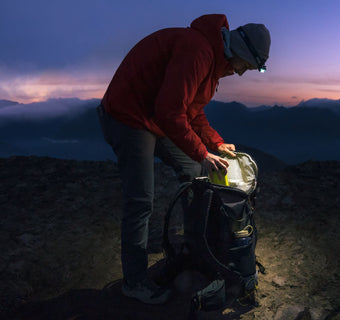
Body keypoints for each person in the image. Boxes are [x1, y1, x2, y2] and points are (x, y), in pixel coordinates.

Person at [97, 14, 271, 304]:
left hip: (154, 117)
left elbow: (191, 110)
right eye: (246, 66)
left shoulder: (212, 60)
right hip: (127, 116)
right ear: (240, 51)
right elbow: (170, 112)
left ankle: (197, 247)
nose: (242, 73)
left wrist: (214, 143)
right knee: (140, 200)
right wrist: (203, 152)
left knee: (194, 172)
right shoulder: (197, 51)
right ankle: (135, 282)